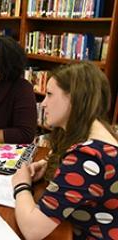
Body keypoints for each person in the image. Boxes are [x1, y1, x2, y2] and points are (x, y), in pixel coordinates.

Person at [12, 61, 118, 240]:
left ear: (74, 99)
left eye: (50, 94)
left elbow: (32, 230)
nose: (43, 104)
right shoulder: (100, 134)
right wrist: (45, 164)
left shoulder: (86, 157)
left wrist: (21, 185)